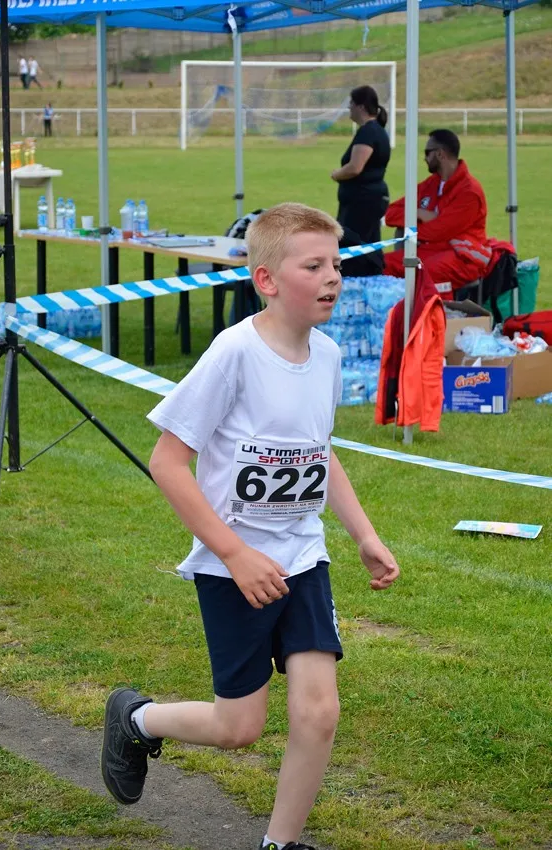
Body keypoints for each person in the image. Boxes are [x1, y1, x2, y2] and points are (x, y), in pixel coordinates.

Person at [101, 203, 400, 850]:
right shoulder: (233, 353)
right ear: (266, 280)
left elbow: (319, 452)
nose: (333, 277)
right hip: (233, 567)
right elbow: (167, 462)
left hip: (303, 556)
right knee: (239, 727)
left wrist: (364, 535)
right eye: (313, 266)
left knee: (319, 712)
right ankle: (137, 719)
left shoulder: (326, 355)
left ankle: (279, 844)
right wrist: (235, 554)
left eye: (336, 264)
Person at [383, 129, 491, 290]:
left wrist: (414, 226)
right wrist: (418, 213)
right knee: (381, 264)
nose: (424, 158)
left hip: (463, 257)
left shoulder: (469, 192)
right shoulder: (431, 183)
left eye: (427, 153)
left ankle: (436, 307)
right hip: (430, 250)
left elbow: (438, 231)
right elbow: (390, 213)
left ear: (440, 154)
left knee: (424, 271)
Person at [331, 85, 391, 275]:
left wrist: (337, 174)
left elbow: (355, 167)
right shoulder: (377, 131)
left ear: (361, 107)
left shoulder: (368, 132)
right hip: (368, 199)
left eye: (351, 103)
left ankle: (355, 282)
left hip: (362, 202)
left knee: (354, 247)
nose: (349, 107)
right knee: (369, 247)